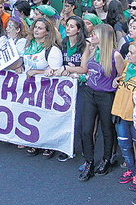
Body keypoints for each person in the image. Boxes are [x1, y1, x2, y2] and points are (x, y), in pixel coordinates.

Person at [79, 24, 124, 182]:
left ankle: (106, 159)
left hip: (106, 95)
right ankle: (89, 162)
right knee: (86, 130)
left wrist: (117, 80)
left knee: (107, 129)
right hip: (90, 92)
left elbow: (122, 73)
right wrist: (87, 48)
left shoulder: (115, 55)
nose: (93, 36)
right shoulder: (93, 50)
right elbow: (84, 68)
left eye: (95, 34)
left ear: (103, 36)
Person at [24, 18, 63, 158]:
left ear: (47, 32)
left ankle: (50, 144)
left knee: (46, 117)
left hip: (46, 90)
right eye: (35, 27)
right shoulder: (28, 45)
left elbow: (56, 71)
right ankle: (35, 141)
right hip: (30, 88)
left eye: (40, 28)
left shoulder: (52, 49)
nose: (36, 30)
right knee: (32, 115)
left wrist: (37, 72)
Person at [54, 16, 90, 162]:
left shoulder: (85, 45)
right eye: (67, 26)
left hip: (81, 86)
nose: (68, 28)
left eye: (72, 26)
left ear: (79, 29)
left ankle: (82, 145)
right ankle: (67, 147)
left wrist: (66, 68)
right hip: (65, 86)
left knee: (79, 119)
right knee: (64, 117)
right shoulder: (63, 43)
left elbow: (84, 68)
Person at [112, 40, 136, 192]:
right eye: (128, 52)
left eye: (132, 53)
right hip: (121, 113)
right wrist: (116, 81)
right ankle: (130, 169)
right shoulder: (126, 65)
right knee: (124, 145)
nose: (128, 55)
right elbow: (119, 80)